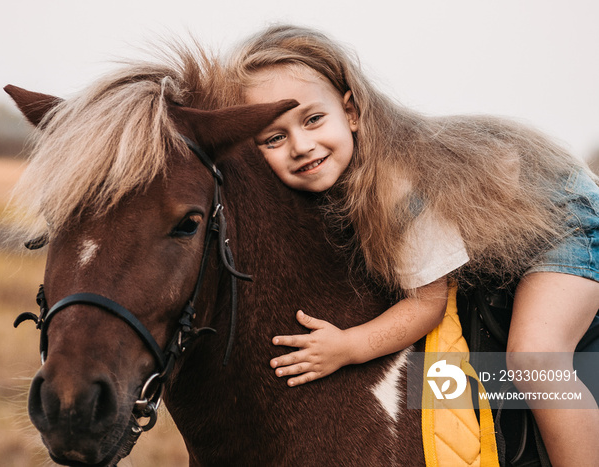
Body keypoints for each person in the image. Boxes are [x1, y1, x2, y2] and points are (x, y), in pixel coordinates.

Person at [224, 24, 599, 466]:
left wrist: (349, 346)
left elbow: (427, 304)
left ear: (351, 112)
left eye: (312, 119)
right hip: (508, 226)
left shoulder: (396, 186)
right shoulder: (334, 177)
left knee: (535, 353)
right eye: (274, 137)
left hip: (561, 219)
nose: (301, 146)